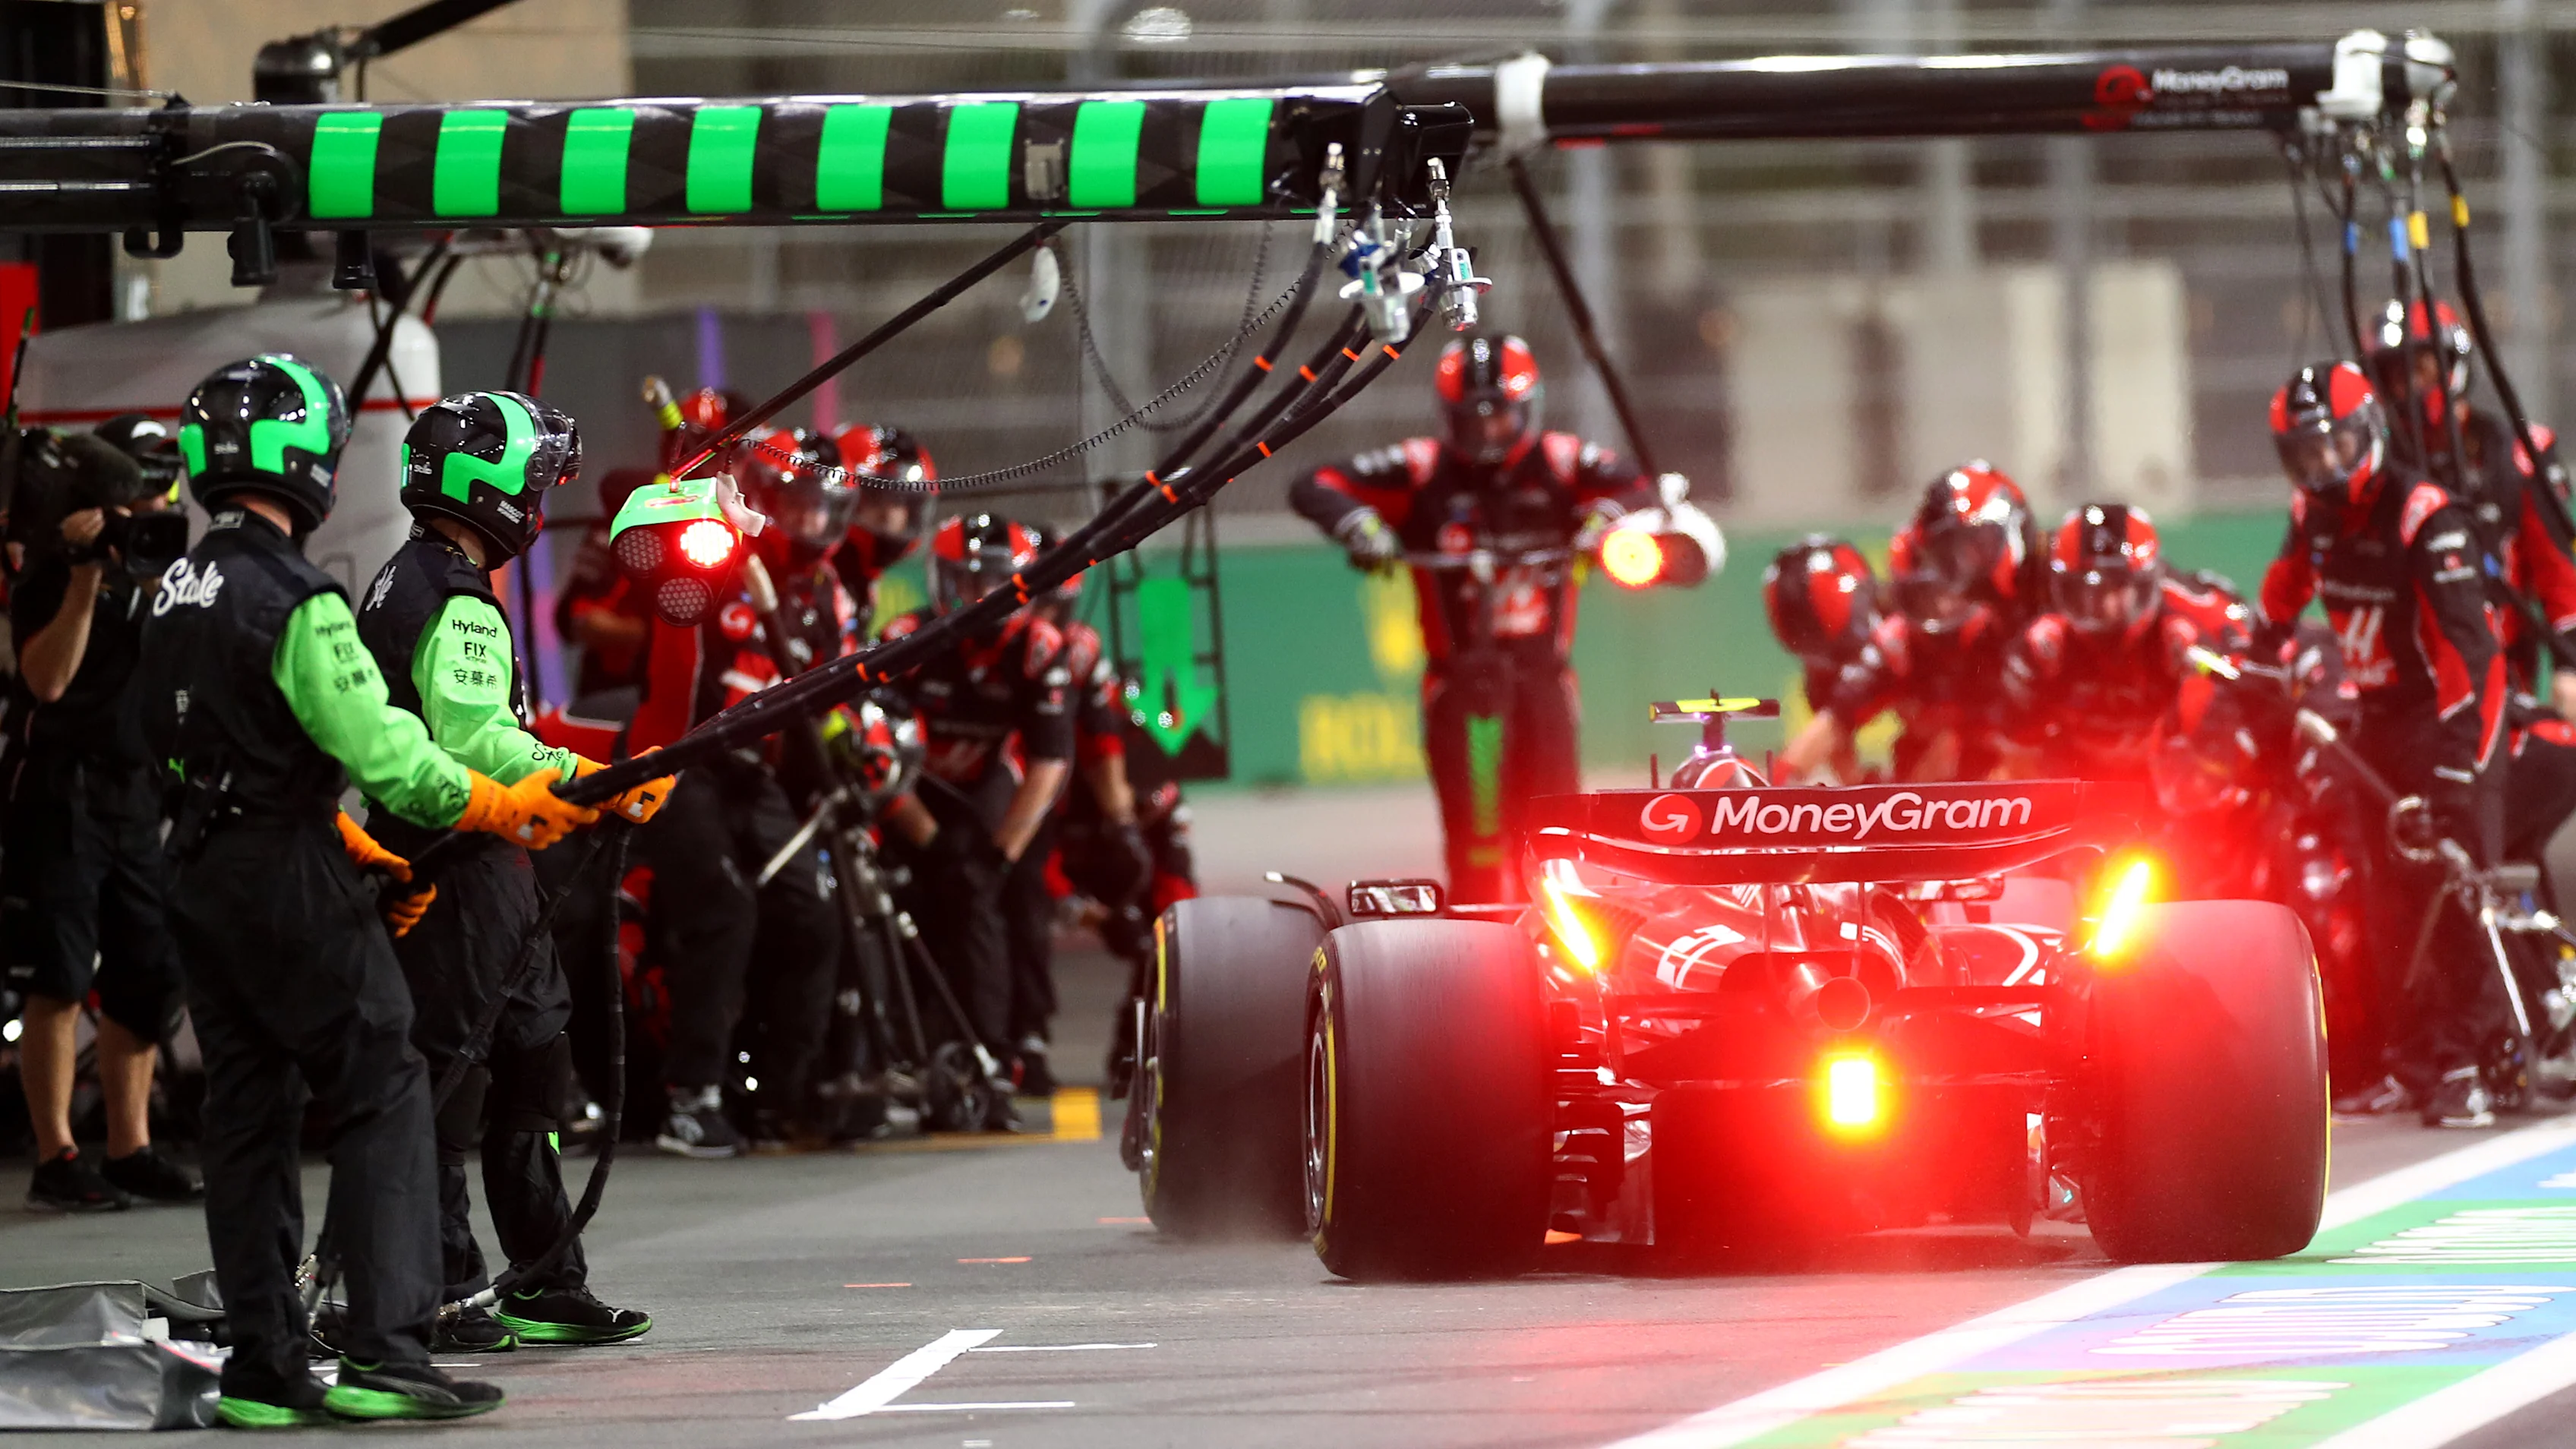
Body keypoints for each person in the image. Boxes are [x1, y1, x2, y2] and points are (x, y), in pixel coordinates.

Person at [136, 354, 595, 1425]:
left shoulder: (171, 589)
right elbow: (393, 755)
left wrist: (346, 838)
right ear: (306, 462)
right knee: (387, 1086)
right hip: (289, 873)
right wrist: (494, 805)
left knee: (247, 1110)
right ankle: (389, 1351)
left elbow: (172, 747)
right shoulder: (301, 599)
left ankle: (265, 1371)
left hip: (197, 873)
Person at [355, 391, 671, 1352]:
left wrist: (594, 776)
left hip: (482, 864)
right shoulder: (451, 595)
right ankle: (447, 1290)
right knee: (460, 1078)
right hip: (452, 863)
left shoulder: (425, 578)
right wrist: (600, 780)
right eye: (535, 479)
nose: (540, 498)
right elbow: (479, 741)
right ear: (486, 486)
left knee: (534, 1055)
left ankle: (539, 1276)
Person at [1290, 333, 1661, 903]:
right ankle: (1478, 959)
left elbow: (1648, 485)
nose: (1487, 433)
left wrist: (1604, 521)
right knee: (1476, 848)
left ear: (1528, 408)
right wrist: (1360, 526)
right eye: (1471, 420)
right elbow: (1314, 483)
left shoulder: (1560, 462)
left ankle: (1563, 968)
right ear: (1448, 417)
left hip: (1547, 686)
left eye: (1501, 417)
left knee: (1558, 841)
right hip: (1456, 690)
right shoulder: (1422, 468)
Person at [2256, 359, 2509, 1129]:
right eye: (2304, 455)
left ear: (2367, 431)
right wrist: (2257, 647)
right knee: (2383, 906)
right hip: (2371, 722)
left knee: (2454, 890)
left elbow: (2474, 653)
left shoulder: (2423, 514)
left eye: (2332, 448)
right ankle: (2411, 1061)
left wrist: (2453, 766)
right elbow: (2280, 592)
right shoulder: (2313, 515)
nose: (2322, 469)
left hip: (2449, 718)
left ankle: (2472, 1062)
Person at [627, 427, 854, 1155]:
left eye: (824, 507)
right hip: (680, 762)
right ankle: (692, 1099)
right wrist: (694, 475)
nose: (810, 523)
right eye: (797, 504)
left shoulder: (827, 595)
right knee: (725, 909)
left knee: (816, 916)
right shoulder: (710, 545)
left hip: (756, 776)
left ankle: (785, 1098)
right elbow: (636, 512)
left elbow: (831, 697)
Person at [3, 424, 196, 1211]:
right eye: (136, 493)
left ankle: (130, 1147)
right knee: (57, 973)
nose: (147, 507)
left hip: (135, 791)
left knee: (147, 975)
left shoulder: (161, 572)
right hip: (60, 787)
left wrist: (148, 579)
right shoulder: (53, 567)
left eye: (160, 492)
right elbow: (46, 682)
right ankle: (57, 1156)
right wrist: (87, 575)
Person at [880, 513, 1072, 1119]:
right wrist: (929, 842)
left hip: (983, 790)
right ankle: (887, 1054)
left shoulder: (1040, 648)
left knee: (984, 901)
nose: (981, 598)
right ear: (942, 583)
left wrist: (997, 856)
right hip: (901, 789)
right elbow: (871, 755)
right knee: (891, 901)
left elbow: (1049, 763)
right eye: (967, 582)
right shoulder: (906, 640)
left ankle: (992, 1058)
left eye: (994, 582)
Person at [1779, 462, 2038, 783]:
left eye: (1946, 588)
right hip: (1941, 793)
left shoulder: (2007, 632)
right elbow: (1833, 725)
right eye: (1925, 594)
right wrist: (1771, 787)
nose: (1940, 606)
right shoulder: (1897, 643)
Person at [1998, 504, 2248, 782]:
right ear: (2062, 588)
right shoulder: (2043, 646)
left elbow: (2241, 672)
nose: (2105, 607)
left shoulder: (2181, 637)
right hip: (2077, 786)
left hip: (2168, 790)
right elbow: (2017, 751)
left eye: (2117, 588)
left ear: (2146, 583)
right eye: (2087, 593)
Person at [1762, 535, 1882, 783]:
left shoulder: (1893, 640)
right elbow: (1836, 741)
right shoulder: (1823, 675)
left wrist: (1772, 791)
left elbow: (1829, 729)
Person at [829, 422, 933, 634]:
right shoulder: (822, 575)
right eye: (875, 498)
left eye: (898, 501)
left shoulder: (864, 578)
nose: (889, 514)